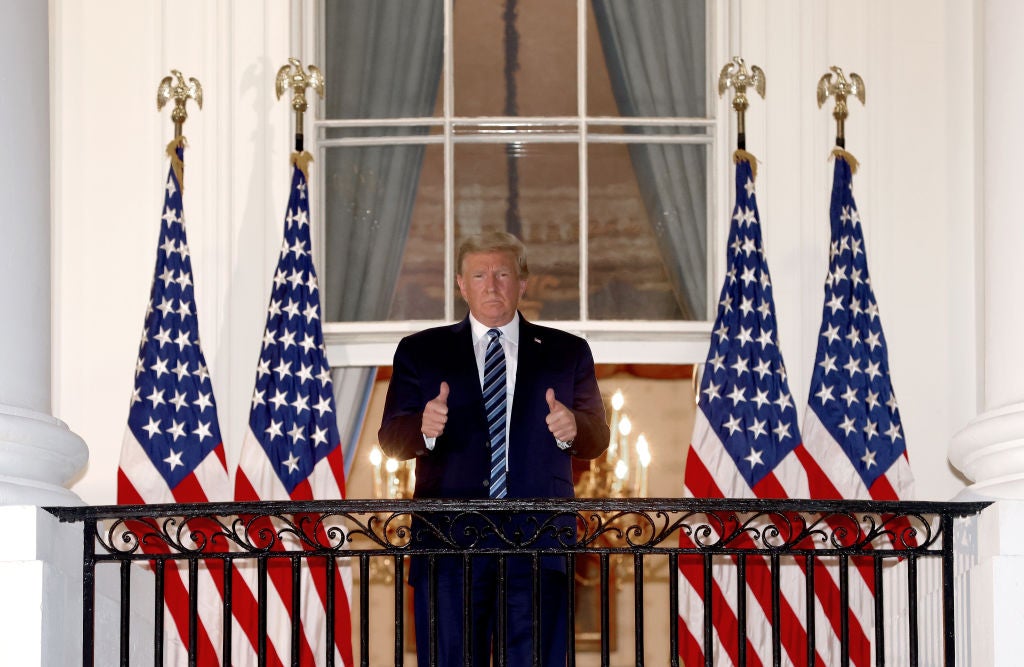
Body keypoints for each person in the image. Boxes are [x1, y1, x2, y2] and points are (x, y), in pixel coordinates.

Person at [378, 231, 610, 666]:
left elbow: (597, 439)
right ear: (461, 285)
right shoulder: (420, 351)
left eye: (503, 273)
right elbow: (391, 439)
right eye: (479, 275)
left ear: (521, 283)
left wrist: (572, 427)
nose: (491, 285)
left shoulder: (567, 351)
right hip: (448, 546)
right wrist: (424, 430)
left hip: (540, 543)